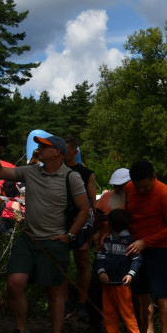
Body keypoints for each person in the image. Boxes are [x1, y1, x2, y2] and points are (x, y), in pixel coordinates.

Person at [0, 135, 91, 333]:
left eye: (44, 146)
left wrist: (70, 236)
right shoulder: (30, 171)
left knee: (54, 291)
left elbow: (84, 210)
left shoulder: (71, 177)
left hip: (55, 241)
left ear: (57, 151)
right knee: (15, 282)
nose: (39, 148)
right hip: (28, 238)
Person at [124, 159, 167, 333]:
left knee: (162, 295)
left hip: (158, 249)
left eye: (145, 187)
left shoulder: (164, 193)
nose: (141, 191)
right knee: (140, 293)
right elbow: (127, 215)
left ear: (153, 178)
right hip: (135, 247)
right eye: (138, 187)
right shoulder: (129, 189)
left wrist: (146, 241)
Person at [94, 208, 143, 333]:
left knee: (127, 311)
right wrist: (101, 271)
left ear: (110, 224)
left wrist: (130, 274)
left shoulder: (129, 241)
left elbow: (137, 259)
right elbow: (100, 257)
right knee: (109, 312)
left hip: (122, 284)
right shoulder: (107, 239)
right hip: (107, 283)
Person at [63, 135, 96, 323]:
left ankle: (82, 303)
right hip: (59, 221)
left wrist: (95, 228)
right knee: (61, 263)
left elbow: (92, 201)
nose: (63, 154)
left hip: (81, 223)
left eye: (66, 150)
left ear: (75, 151)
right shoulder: (54, 171)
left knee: (82, 263)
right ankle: (65, 302)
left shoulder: (86, 173)